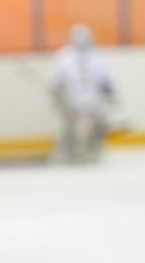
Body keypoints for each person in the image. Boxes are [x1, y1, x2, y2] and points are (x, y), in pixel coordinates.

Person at [49, 24, 118, 164]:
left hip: (93, 100)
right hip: (71, 100)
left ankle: (93, 153)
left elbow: (106, 80)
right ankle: (68, 154)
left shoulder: (97, 56)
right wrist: (58, 98)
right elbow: (55, 81)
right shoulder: (64, 56)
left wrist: (110, 93)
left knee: (96, 126)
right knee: (69, 128)